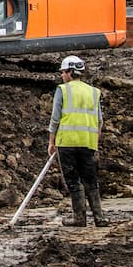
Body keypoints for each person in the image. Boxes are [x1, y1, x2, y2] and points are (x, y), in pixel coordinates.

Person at [48, 54, 108, 227]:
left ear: (70, 72)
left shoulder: (63, 90)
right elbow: (99, 121)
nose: (61, 75)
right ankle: (100, 218)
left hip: (67, 143)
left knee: (73, 180)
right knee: (90, 180)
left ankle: (79, 218)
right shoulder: (94, 92)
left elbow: (55, 119)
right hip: (87, 143)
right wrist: (94, 142)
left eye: (63, 72)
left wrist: (51, 141)